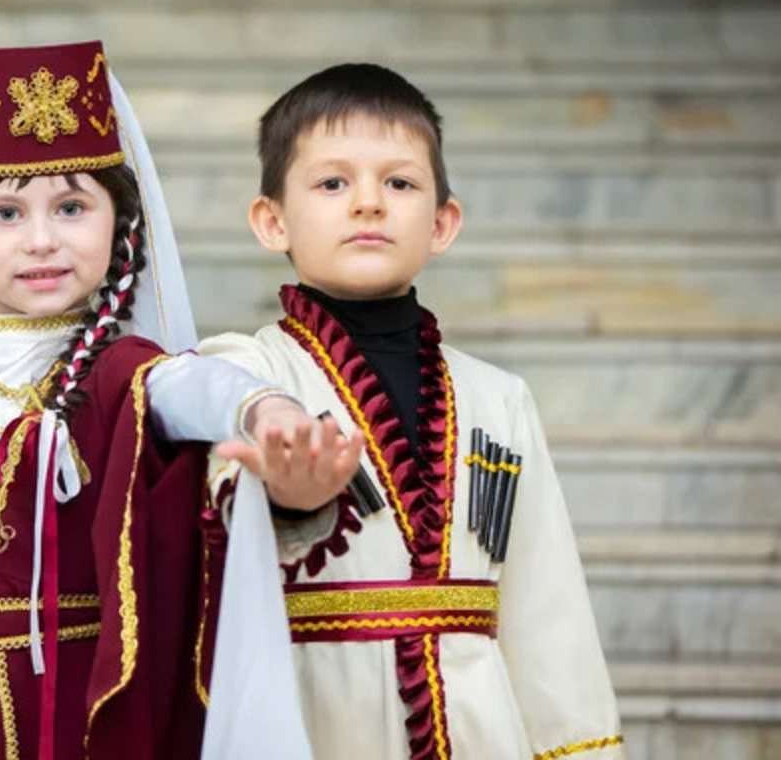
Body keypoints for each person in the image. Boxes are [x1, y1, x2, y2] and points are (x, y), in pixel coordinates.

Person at [0, 41, 361, 760]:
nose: (42, 240)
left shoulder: (114, 373)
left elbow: (189, 385)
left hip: (62, 724)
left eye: (73, 206)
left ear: (120, 226)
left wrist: (264, 411)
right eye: (7, 213)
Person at [200, 64, 624, 760]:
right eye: (332, 183)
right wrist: (290, 502)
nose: (368, 203)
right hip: (314, 718)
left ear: (443, 222)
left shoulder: (499, 398)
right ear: (271, 220)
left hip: (484, 730)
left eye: (399, 182)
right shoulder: (243, 372)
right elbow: (213, 500)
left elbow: (548, 609)